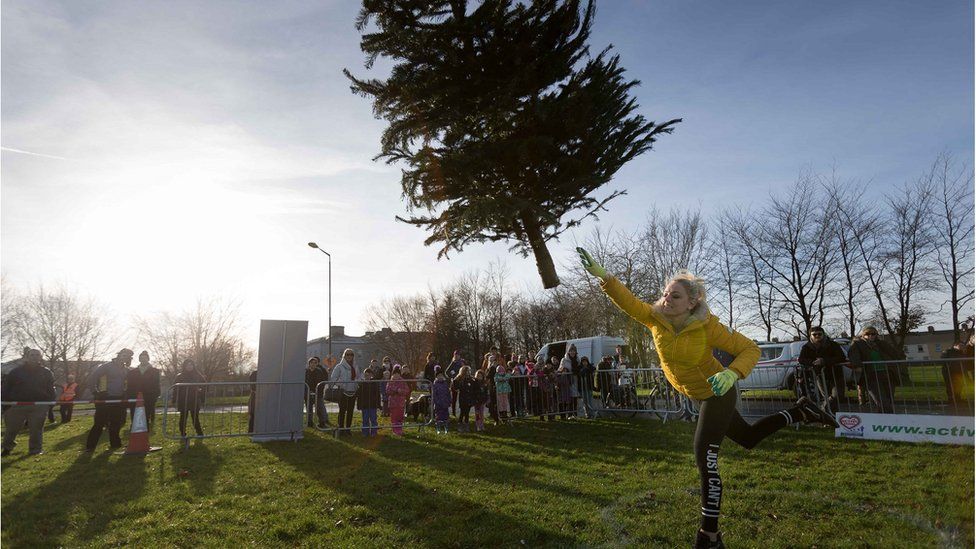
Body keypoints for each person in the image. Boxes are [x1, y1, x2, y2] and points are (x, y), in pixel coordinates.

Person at [577, 248, 838, 548]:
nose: (667, 299)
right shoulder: (655, 319)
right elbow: (629, 302)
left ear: (692, 302)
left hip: (719, 392)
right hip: (698, 396)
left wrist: (732, 373)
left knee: (705, 457)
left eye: (675, 296)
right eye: (665, 294)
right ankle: (801, 412)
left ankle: (709, 536)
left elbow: (750, 349)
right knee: (748, 438)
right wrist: (604, 276)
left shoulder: (707, 325)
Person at [1, 349, 56, 457]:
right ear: (27, 357)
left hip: (39, 406)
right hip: (17, 405)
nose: (34, 357)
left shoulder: (46, 372)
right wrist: (6, 404)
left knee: (36, 430)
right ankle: (7, 448)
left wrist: (50, 403)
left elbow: (51, 388)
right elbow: (6, 387)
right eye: (32, 355)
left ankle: (35, 450)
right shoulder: (16, 372)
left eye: (37, 355)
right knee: (11, 429)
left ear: (40, 357)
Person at [84, 348, 133, 451]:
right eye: (124, 355)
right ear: (119, 355)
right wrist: (95, 392)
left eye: (128, 356)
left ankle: (115, 444)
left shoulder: (126, 370)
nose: (125, 358)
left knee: (116, 423)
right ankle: (90, 447)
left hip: (118, 399)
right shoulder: (106, 366)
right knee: (99, 423)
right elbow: (92, 378)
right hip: (105, 398)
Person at [847, 327, 902, 414]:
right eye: (867, 334)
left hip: (886, 374)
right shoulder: (857, 344)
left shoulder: (881, 344)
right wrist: (857, 365)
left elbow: (895, 354)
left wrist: (897, 361)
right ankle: (888, 418)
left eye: (873, 334)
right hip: (870, 375)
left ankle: (883, 418)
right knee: (881, 401)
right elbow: (853, 356)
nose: (870, 336)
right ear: (863, 335)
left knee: (888, 400)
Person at [798, 327, 849, 414]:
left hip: (835, 374)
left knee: (837, 395)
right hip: (819, 375)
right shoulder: (806, 347)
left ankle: (823, 410)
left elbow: (841, 357)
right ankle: (831, 416)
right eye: (814, 334)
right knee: (826, 396)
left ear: (823, 334)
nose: (817, 336)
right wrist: (812, 362)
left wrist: (824, 361)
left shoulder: (833, 345)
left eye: (819, 334)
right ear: (810, 336)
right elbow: (801, 359)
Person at [126, 351, 162, 426]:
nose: (143, 359)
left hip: (149, 395)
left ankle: (146, 427)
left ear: (148, 359)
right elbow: (130, 385)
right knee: (134, 412)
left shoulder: (154, 371)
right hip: (135, 395)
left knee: (147, 413)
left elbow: (156, 383)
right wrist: (129, 394)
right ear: (139, 359)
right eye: (141, 358)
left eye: (145, 358)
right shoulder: (133, 372)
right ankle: (134, 426)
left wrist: (156, 394)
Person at [331, 349, 362, 435]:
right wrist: (342, 384)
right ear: (344, 356)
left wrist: (357, 381)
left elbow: (358, 377)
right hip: (343, 392)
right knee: (342, 411)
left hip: (353, 392)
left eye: (351, 354)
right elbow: (333, 378)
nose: (349, 356)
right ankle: (341, 429)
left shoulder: (355, 366)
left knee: (350, 411)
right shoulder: (339, 366)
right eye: (347, 354)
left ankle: (348, 429)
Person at [174, 359, 205, 438]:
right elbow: (175, 388)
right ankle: (182, 433)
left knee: (195, 418)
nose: (189, 366)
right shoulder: (180, 376)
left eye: (191, 365)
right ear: (184, 366)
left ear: (193, 366)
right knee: (183, 417)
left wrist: (201, 395)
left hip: (194, 400)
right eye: (187, 365)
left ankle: (200, 433)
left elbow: (204, 385)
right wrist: (174, 399)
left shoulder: (198, 375)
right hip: (183, 400)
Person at [941, 341, 971, 409]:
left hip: (959, 372)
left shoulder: (962, 353)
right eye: (961, 345)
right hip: (949, 372)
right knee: (950, 386)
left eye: (963, 346)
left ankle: (958, 399)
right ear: (955, 345)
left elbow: (964, 363)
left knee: (959, 386)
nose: (963, 347)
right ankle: (951, 400)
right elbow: (943, 359)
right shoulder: (948, 351)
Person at [304, 357, 331, 428]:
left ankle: (322, 422)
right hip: (308, 394)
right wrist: (307, 391)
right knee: (309, 408)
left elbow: (322, 382)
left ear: (317, 364)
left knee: (320, 408)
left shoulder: (319, 371)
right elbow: (304, 382)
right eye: (311, 363)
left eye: (315, 363)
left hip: (318, 393)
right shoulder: (306, 371)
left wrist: (318, 391)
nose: (313, 364)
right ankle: (309, 422)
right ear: (309, 363)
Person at [386, 365, 410, 435]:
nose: (396, 376)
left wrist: (401, 391)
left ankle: (400, 429)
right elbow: (387, 391)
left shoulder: (403, 381)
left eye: (398, 374)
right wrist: (396, 390)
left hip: (401, 403)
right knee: (394, 417)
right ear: (392, 374)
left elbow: (407, 390)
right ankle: (395, 430)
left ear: (400, 374)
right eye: (395, 374)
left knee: (400, 416)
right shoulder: (390, 382)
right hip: (393, 403)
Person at [453, 365, 477, 432]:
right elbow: (456, 387)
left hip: (469, 398)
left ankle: (466, 425)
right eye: (467, 371)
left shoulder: (471, 379)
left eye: (469, 371)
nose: (468, 372)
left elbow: (474, 386)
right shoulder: (459, 379)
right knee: (462, 412)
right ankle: (460, 424)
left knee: (467, 413)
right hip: (463, 398)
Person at [358, 367, 381, 436]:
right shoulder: (362, 384)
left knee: (373, 419)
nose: (366, 377)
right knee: (365, 419)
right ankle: (365, 432)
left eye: (368, 375)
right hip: (364, 405)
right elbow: (359, 396)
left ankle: (374, 432)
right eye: (365, 375)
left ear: (371, 375)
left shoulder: (374, 384)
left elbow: (378, 395)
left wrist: (378, 404)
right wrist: (359, 405)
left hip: (373, 405)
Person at [560, 345, 581, 416]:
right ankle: (569, 414)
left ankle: (575, 413)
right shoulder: (564, 359)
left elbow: (579, 367)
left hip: (575, 379)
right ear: (568, 351)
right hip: (567, 380)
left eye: (574, 351)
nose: (572, 352)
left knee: (575, 396)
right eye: (571, 351)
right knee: (568, 397)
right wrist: (565, 370)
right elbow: (560, 369)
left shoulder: (577, 359)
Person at [432, 366, 451, 433]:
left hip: (445, 403)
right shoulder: (435, 385)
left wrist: (449, 400)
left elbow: (448, 393)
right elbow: (434, 395)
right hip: (438, 404)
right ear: (436, 377)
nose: (440, 377)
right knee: (438, 416)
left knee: (445, 416)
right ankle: (438, 428)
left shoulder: (445, 384)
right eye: (439, 376)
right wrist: (436, 402)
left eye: (441, 376)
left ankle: (446, 427)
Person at [445, 350, 463, 417]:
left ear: (460, 356)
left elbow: (465, 371)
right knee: (454, 398)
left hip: (461, 382)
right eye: (455, 355)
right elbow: (447, 372)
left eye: (458, 355)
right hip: (454, 383)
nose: (456, 356)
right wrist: (452, 376)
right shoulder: (452, 363)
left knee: (462, 398)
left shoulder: (462, 363)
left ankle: (462, 413)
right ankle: (453, 412)